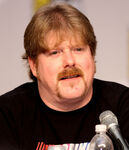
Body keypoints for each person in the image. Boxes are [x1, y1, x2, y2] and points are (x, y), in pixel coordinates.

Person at [0, 3, 129, 150]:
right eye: (55, 52)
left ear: (92, 56)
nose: (70, 61)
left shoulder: (123, 104)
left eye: (78, 49)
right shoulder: (7, 114)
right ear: (34, 65)